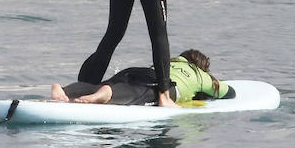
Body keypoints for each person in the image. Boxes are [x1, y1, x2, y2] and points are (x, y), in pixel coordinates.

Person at [53, 49, 231, 105]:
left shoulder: (171, 61)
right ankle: (107, 94)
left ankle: (65, 90)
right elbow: (228, 92)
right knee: (137, 93)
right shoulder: (200, 75)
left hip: (139, 71)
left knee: (99, 86)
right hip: (163, 83)